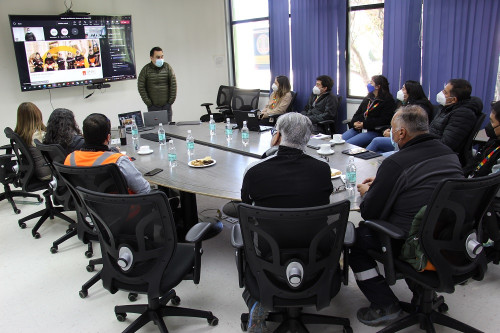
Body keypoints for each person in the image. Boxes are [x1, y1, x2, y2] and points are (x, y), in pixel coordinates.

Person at [349, 105, 464, 327]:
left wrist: (370, 192)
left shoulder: (395, 163)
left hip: (410, 241)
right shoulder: (448, 153)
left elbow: (369, 212)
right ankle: (422, 295)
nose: (390, 133)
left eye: (392, 129)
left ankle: (385, 305)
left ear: (402, 133)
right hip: (449, 238)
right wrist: (383, 184)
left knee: (356, 237)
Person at [240, 112, 334, 332]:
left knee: (244, 235)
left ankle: (258, 300)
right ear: (308, 138)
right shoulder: (322, 169)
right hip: (316, 248)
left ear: (277, 136)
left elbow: (245, 204)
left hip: (268, 250)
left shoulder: (254, 170)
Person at [64, 113, 150, 194]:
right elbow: (144, 190)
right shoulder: (118, 161)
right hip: (124, 208)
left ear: (83, 135)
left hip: (88, 208)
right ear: (108, 137)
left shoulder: (70, 159)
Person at [366, 80, 433, 153]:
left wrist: (391, 134)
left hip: (408, 143)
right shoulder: (406, 103)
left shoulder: (419, 109)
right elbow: (398, 121)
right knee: (377, 150)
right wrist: (390, 129)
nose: (401, 91)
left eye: (403, 89)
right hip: (397, 136)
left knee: (376, 142)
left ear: (411, 91)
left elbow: (409, 130)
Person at [429, 78, 483, 166]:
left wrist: (423, 143)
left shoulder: (463, 115)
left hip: (442, 157)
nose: (441, 93)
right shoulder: (446, 108)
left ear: (454, 100)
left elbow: (446, 144)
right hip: (432, 149)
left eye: (445, 92)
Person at [343, 75, 396, 147]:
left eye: (371, 83)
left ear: (377, 86)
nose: (368, 85)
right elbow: (358, 114)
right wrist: (355, 123)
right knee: (339, 141)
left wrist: (364, 124)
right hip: (359, 129)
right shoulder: (368, 98)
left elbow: (383, 120)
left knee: (347, 145)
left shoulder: (388, 101)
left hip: (374, 131)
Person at [137, 46, 177, 122]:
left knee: (168, 128)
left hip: (166, 106)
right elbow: (141, 87)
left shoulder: (167, 67)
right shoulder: (146, 70)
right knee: (155, 128)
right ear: (151, 58)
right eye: (158, 57)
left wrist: (170, 102)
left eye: (162, 57)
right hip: (153, 107)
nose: (160, 59)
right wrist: (149, 103)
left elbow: (173, 85)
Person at [14, 102, 51, 181]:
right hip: (46, 172)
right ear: (37, 115)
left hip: (37, 170)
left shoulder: (21, 133)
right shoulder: (38, 135)